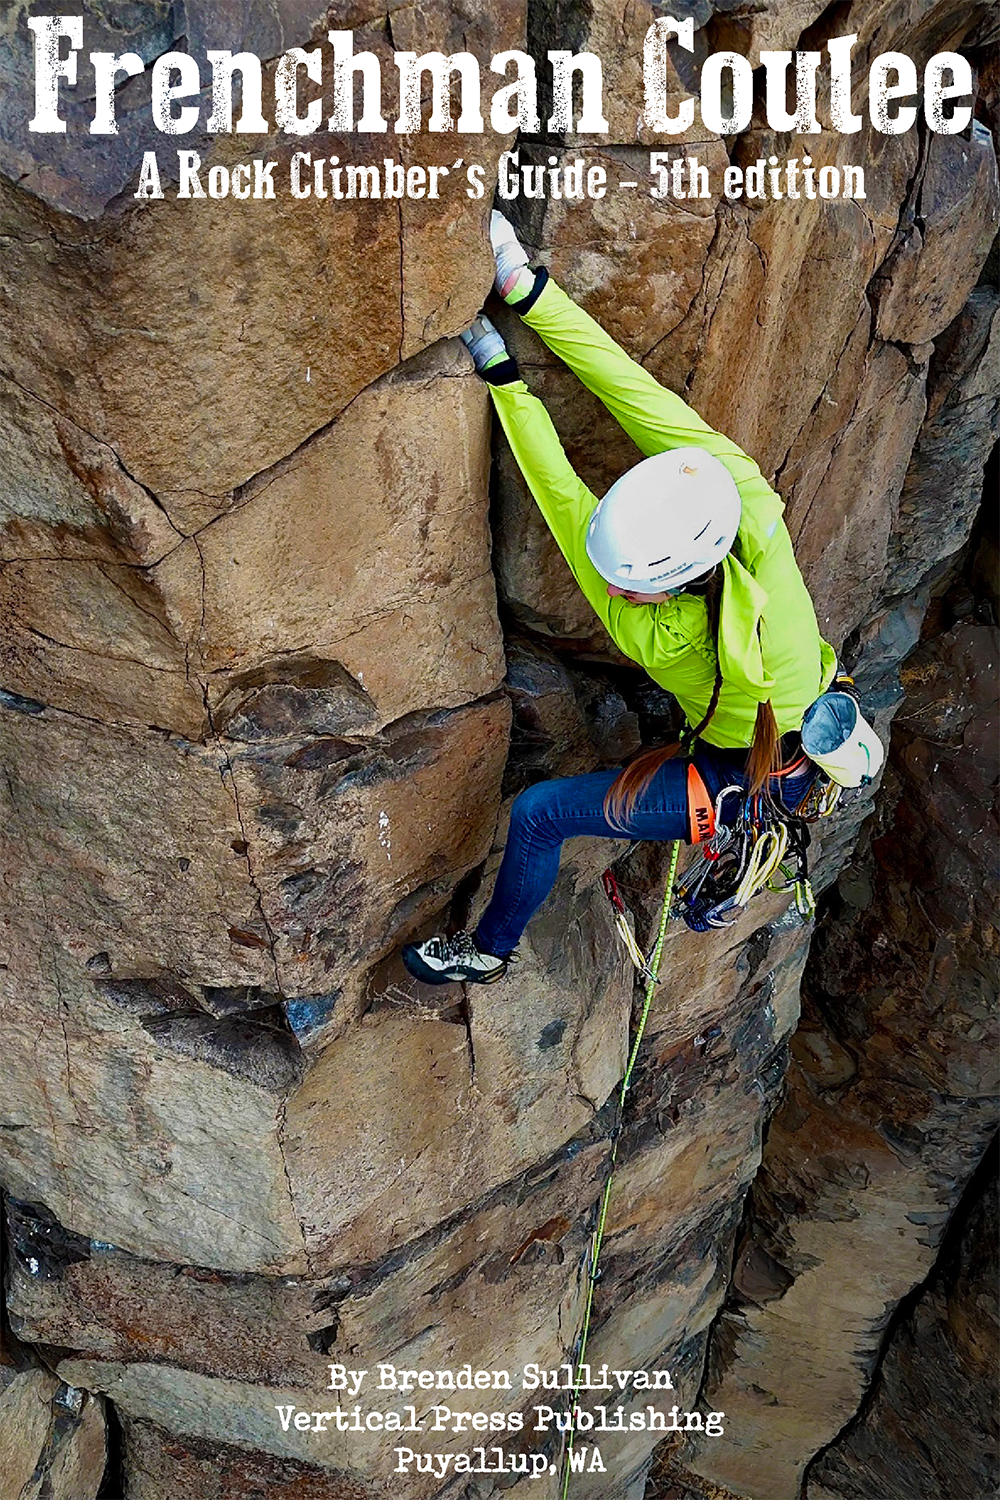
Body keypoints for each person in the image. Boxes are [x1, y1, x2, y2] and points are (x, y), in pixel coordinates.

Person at [402, 213, 837, 986]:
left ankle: (487, 953)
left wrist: (499, 368)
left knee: (539, 815)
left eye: (626, 581)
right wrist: (522, 289)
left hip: (733, 779)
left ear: (661, 586)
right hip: (797, 727)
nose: (612, 586)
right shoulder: (748, 507)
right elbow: (634, 395)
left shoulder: (655, 635)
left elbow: (561, 497)